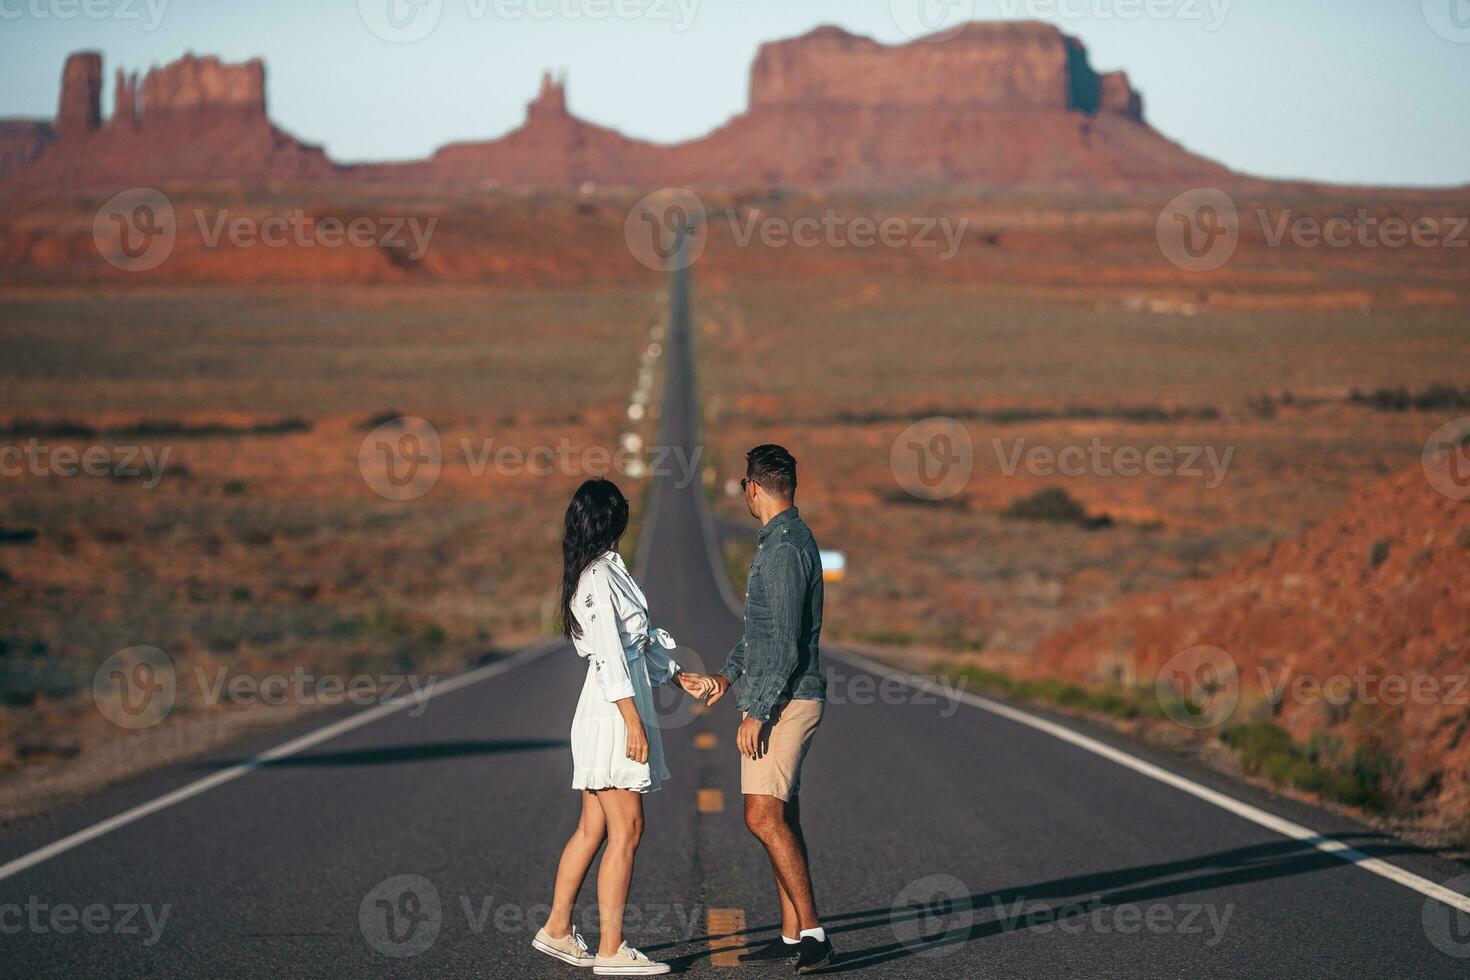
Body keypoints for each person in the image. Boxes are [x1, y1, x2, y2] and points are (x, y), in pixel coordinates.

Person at [533, 478, 709, 976]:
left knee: (593, 827)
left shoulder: (609, 572)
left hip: (619, 703)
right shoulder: (596, 580)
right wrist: (632, 721)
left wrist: (678, 678)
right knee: (627, 828)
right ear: (613, 519)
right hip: (612, 711)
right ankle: (611, 950)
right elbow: (611, 654)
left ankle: (558, 929)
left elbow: (639, 644)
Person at [689, 445, 834, 973]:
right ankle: (793, 933)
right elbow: (761, 635)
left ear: (753, 487)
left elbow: (787, 646)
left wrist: (759, 711)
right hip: (784, 694)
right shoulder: (782, 539)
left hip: (787, 699)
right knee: (782, 815)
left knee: (762, 815)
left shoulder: (782, 548)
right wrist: (726, 678)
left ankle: (815, 932)